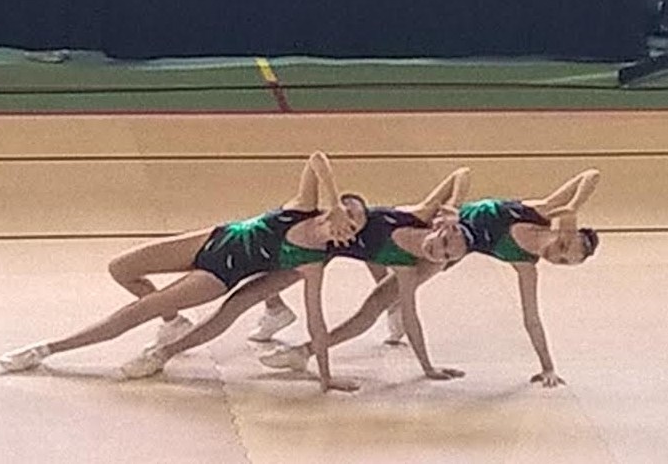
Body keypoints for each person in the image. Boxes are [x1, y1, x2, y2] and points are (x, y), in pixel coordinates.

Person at [0, 151, 364, 392]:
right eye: (346, 216)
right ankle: (173, 322)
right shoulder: (302, 206)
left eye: (353, 228)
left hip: (219, 274)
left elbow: (317, 320)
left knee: (139, 311)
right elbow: (317, 158)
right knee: (121, 268)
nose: (345, 227)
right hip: (212, 238)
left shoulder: (311, 261)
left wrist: (326, 376)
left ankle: (45, 349)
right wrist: (333, 201)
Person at [118, 167, 473, 390]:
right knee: (245, 292)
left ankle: (299, 349)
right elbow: (461, 172)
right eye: (441, 243)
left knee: (371, 309)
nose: (437, 251)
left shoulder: (411, 266)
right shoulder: (416, 216)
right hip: (314, 245)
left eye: (443, 256)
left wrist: (428, 368)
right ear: (440, 227)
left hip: (320, 256)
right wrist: (455, 205)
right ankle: (272, 313)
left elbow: (403, 300)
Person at [259, 169, 601, 388]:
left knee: (377, 303)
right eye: (562, 249)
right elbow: (591, 174)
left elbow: (531, 318)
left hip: (444, 253)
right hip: (430, 229)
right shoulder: (540, 211)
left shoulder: (526, 264)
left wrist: (548, 367)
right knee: (312, 259)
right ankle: (278, 308)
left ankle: (306, 351)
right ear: (565, 233)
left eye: (561, 262)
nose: (554, 257)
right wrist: (455, 207)